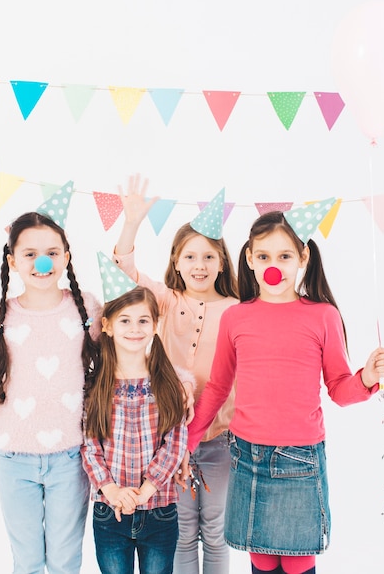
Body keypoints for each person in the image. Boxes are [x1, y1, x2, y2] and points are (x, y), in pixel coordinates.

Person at [183, 207, 384, 574]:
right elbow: (217, 387)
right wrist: (188, 442)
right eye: (263, 256)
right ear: (248, 258)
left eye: (284, 256)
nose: (272, 266)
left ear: (302, 258)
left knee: (296, 563)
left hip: (301, 459)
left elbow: (340, 390)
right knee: (260, 558)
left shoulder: (322, 316)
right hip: (247, 456)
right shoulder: (236, 317)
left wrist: (368, 377)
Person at [0, 211, 102, 574]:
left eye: (51, 251)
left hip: (70, 457)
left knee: (65, 559)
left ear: (66, 256)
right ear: (12, 261)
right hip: (14, 459)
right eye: (29, 253)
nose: (41, 261)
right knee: (26, 560)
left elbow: (113, 364)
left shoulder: (86, 309)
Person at [113, 175, 239, 574]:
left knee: (217, 531)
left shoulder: (239, 308)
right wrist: (131, 222)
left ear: (222, 262)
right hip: (169, 438)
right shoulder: (166, 301)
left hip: (223, 437)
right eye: (189, 256)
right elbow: (125, 271)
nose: (199, 265)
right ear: (176, 262)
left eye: (208, 256)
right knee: (183, 530)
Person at [81, 254, 188, 574]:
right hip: (109, 511)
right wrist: (111, 489)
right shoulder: (97, 384)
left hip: (160, 511)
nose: (134, 328)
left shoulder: (167, 382)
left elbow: (175, 442)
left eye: (143, 320)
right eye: (125, 320)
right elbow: (89, 446)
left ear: (156, 326)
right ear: (108, 326)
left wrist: (147, 490)